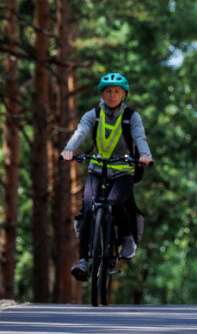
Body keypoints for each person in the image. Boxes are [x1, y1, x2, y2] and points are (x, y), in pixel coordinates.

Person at [60, 73, 153, 281]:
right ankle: (83, 261)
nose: (112, 95)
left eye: (117, 91)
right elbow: (80, 132)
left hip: (123, 172)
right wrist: (68, 150)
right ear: (101, 94)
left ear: (124, 95)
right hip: (97, 170)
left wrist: (145, 156)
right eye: (108, 91)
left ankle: (126, 237)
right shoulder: (93, 115)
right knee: (88, 207)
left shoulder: (131, 117)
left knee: (115, 202)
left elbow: (140, 137)